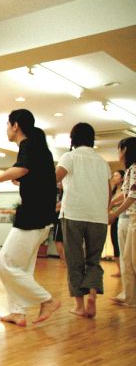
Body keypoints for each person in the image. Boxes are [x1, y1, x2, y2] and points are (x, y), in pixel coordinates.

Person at [0, 109, 61, 327]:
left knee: (4, 265)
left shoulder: (29, 144)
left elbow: (21, 169)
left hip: (33, 216)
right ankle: (18, 312)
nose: (7, 129)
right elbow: (33, 175)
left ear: (16, 126)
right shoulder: (38, 146)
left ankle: (47, 300)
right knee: (21, 268)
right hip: (42, 216)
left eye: (8, 124)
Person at [56, 122, 111, 319]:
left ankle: (79, 306)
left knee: (75, 260)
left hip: (74, 213)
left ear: (73, 138)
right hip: (98, 217)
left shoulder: (69, 157)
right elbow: (108, 192)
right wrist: (105, 212)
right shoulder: (102, 162)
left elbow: (55, 178)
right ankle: (92, 295)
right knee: (94, 260)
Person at [109, 137, 136, 306]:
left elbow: (133, 196)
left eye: (119, 149)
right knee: (127, 259)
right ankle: (129, 296)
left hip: (133, 218)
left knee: (132, 260)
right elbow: (126, 194)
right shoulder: (130, 170)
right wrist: (112, 203)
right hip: (131, 218)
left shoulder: (135, 168)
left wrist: (114, 213)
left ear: (126, 150)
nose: (118, 153)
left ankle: (130, 297)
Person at [109, 170, 125, 274]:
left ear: (122, 178)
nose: (114, 177)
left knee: (122, 244)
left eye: (116, 175)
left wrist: (114, 204)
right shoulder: (113, 191)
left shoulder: (125, 190)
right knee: (115, 243)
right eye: (113, 176)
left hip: (122, 218)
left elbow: (126, 200)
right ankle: (120, 270)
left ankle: (125, 269)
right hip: (114, 219)